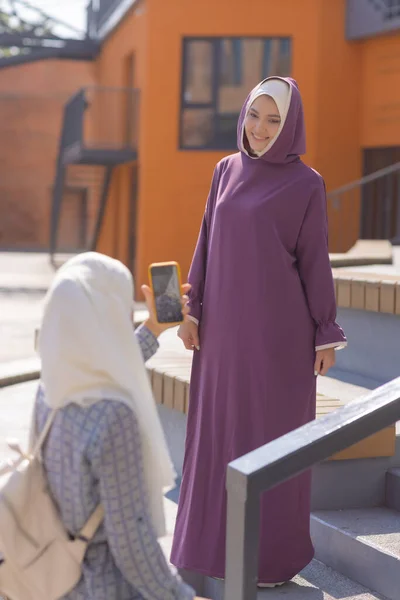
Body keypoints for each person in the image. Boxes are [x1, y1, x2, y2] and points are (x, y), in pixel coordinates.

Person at [170, 77, 347, 587]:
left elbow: (315, 262)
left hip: (278, 341)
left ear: (291, 125)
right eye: (254, 115)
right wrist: (192, 309)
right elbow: (206, 240)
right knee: (218, 436)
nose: (261, 129)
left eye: (274, 120)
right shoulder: (224, 170)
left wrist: (324, 332)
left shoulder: (306, 184)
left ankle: (269, 560)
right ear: (242, 114)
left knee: (269, 440)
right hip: (223, 337)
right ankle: (207, 551)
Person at [31, 252, 206, 600]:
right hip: (106, 588)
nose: (129, 312)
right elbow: (130, 539)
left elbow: (110, 363)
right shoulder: (113, 417)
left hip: (55, 580)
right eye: (123, 303)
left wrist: (153, 328)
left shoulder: (52, 388)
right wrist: (178, 595)